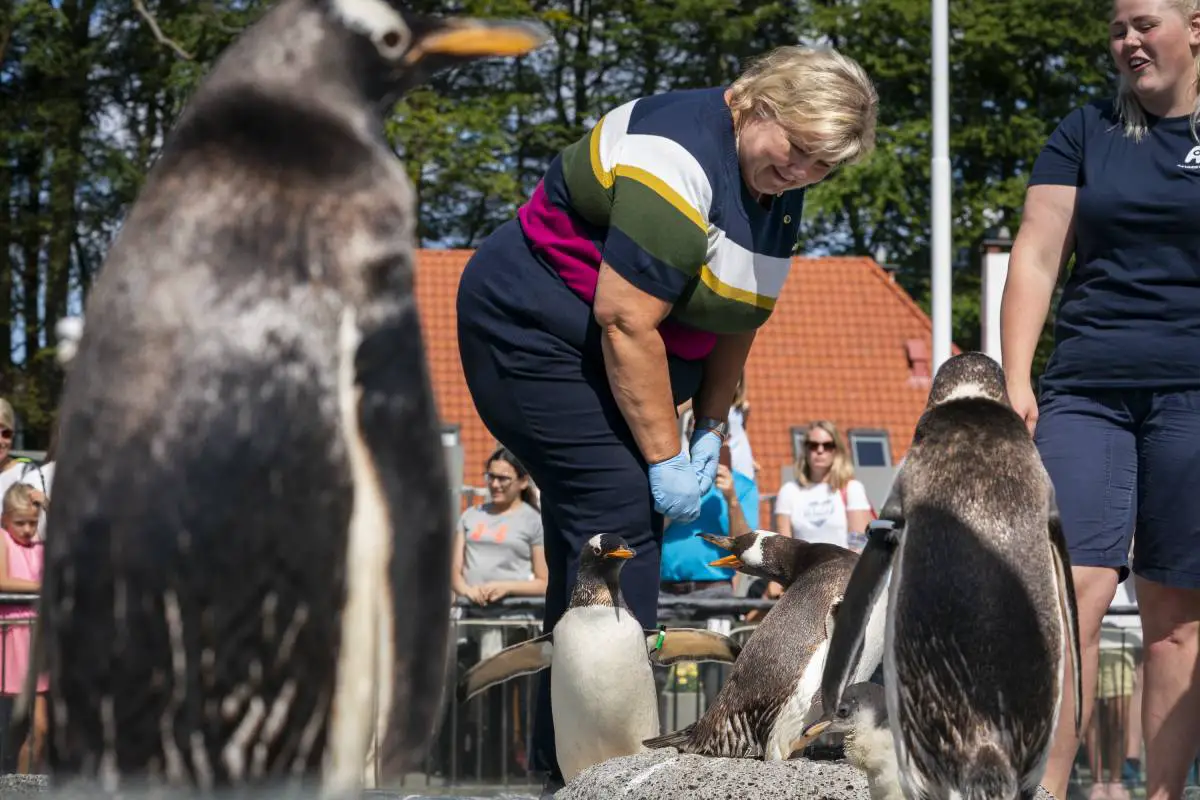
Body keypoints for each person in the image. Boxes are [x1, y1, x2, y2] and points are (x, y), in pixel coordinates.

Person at [456, 45, 878, 792]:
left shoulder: (777, 188)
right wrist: (661, 460)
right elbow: (624, 321)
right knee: (619, 516)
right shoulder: (676, 152)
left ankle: (570, 766)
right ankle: (613, 769)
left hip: (621, 356)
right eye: (801, 149)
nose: (805, 172)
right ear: (758, 104)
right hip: (534, 335)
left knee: (591, 538)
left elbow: (737, 319)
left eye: (825, 166)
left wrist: (708, 426)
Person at [999, 2, 1200, 798]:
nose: (1128, 41)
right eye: (1117, 27)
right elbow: (1039, 253)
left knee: (1176, 617)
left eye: (1144, 23)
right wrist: (1015, 378)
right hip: (1087, 389)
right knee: (1070, 596)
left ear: (1196, 25)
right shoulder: (1083, 130)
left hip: (1194, 393)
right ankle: (1044, 792)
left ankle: (1161, 795)